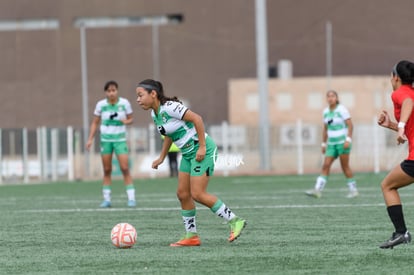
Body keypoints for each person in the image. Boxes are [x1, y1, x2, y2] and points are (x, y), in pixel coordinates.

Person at [135, 79, 246, 246]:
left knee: (198, 193)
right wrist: (162, 157)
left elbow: (197, 119)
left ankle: (235, 221)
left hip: (203, 150)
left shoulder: (170, 107)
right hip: (187, 155)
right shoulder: (154, 114)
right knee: (182, 194)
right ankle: (191, 235)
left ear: (153, 94)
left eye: (140, 95)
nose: (138, 99)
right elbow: (169, 135)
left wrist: (202, 147)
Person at [377, 60, 414, 249]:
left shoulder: (401, 93)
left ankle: (401, 233)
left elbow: (408, 103)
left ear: (395, 77)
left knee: (387, 186)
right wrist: (392, 125)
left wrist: (399, 128)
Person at [86, 80, 136, 208]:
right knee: (107, 169)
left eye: (114, 90)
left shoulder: (124, 103)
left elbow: (131, 119)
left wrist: (126, 121)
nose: (112, 93)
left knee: (125, 168)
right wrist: (90, 139)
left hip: (120, 140)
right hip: (106, 140)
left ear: (117, 91)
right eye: (109, 91)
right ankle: (107, 199)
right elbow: (95, 122)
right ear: (106, 92)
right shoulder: (100, 105)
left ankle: (131, 198)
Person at [305, 90, 359, 198]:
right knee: (325, 165)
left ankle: (353, 190)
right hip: (331, 144)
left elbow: (350, 125)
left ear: (337, 98)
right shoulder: (325, 112)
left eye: (332, 96)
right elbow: (325, 129)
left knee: (345, 167)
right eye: (328, 96)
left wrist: (348, 139)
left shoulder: (342, 109)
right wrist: (323, 144)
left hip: (342, 143)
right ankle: (317, 190)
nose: (330, 98)